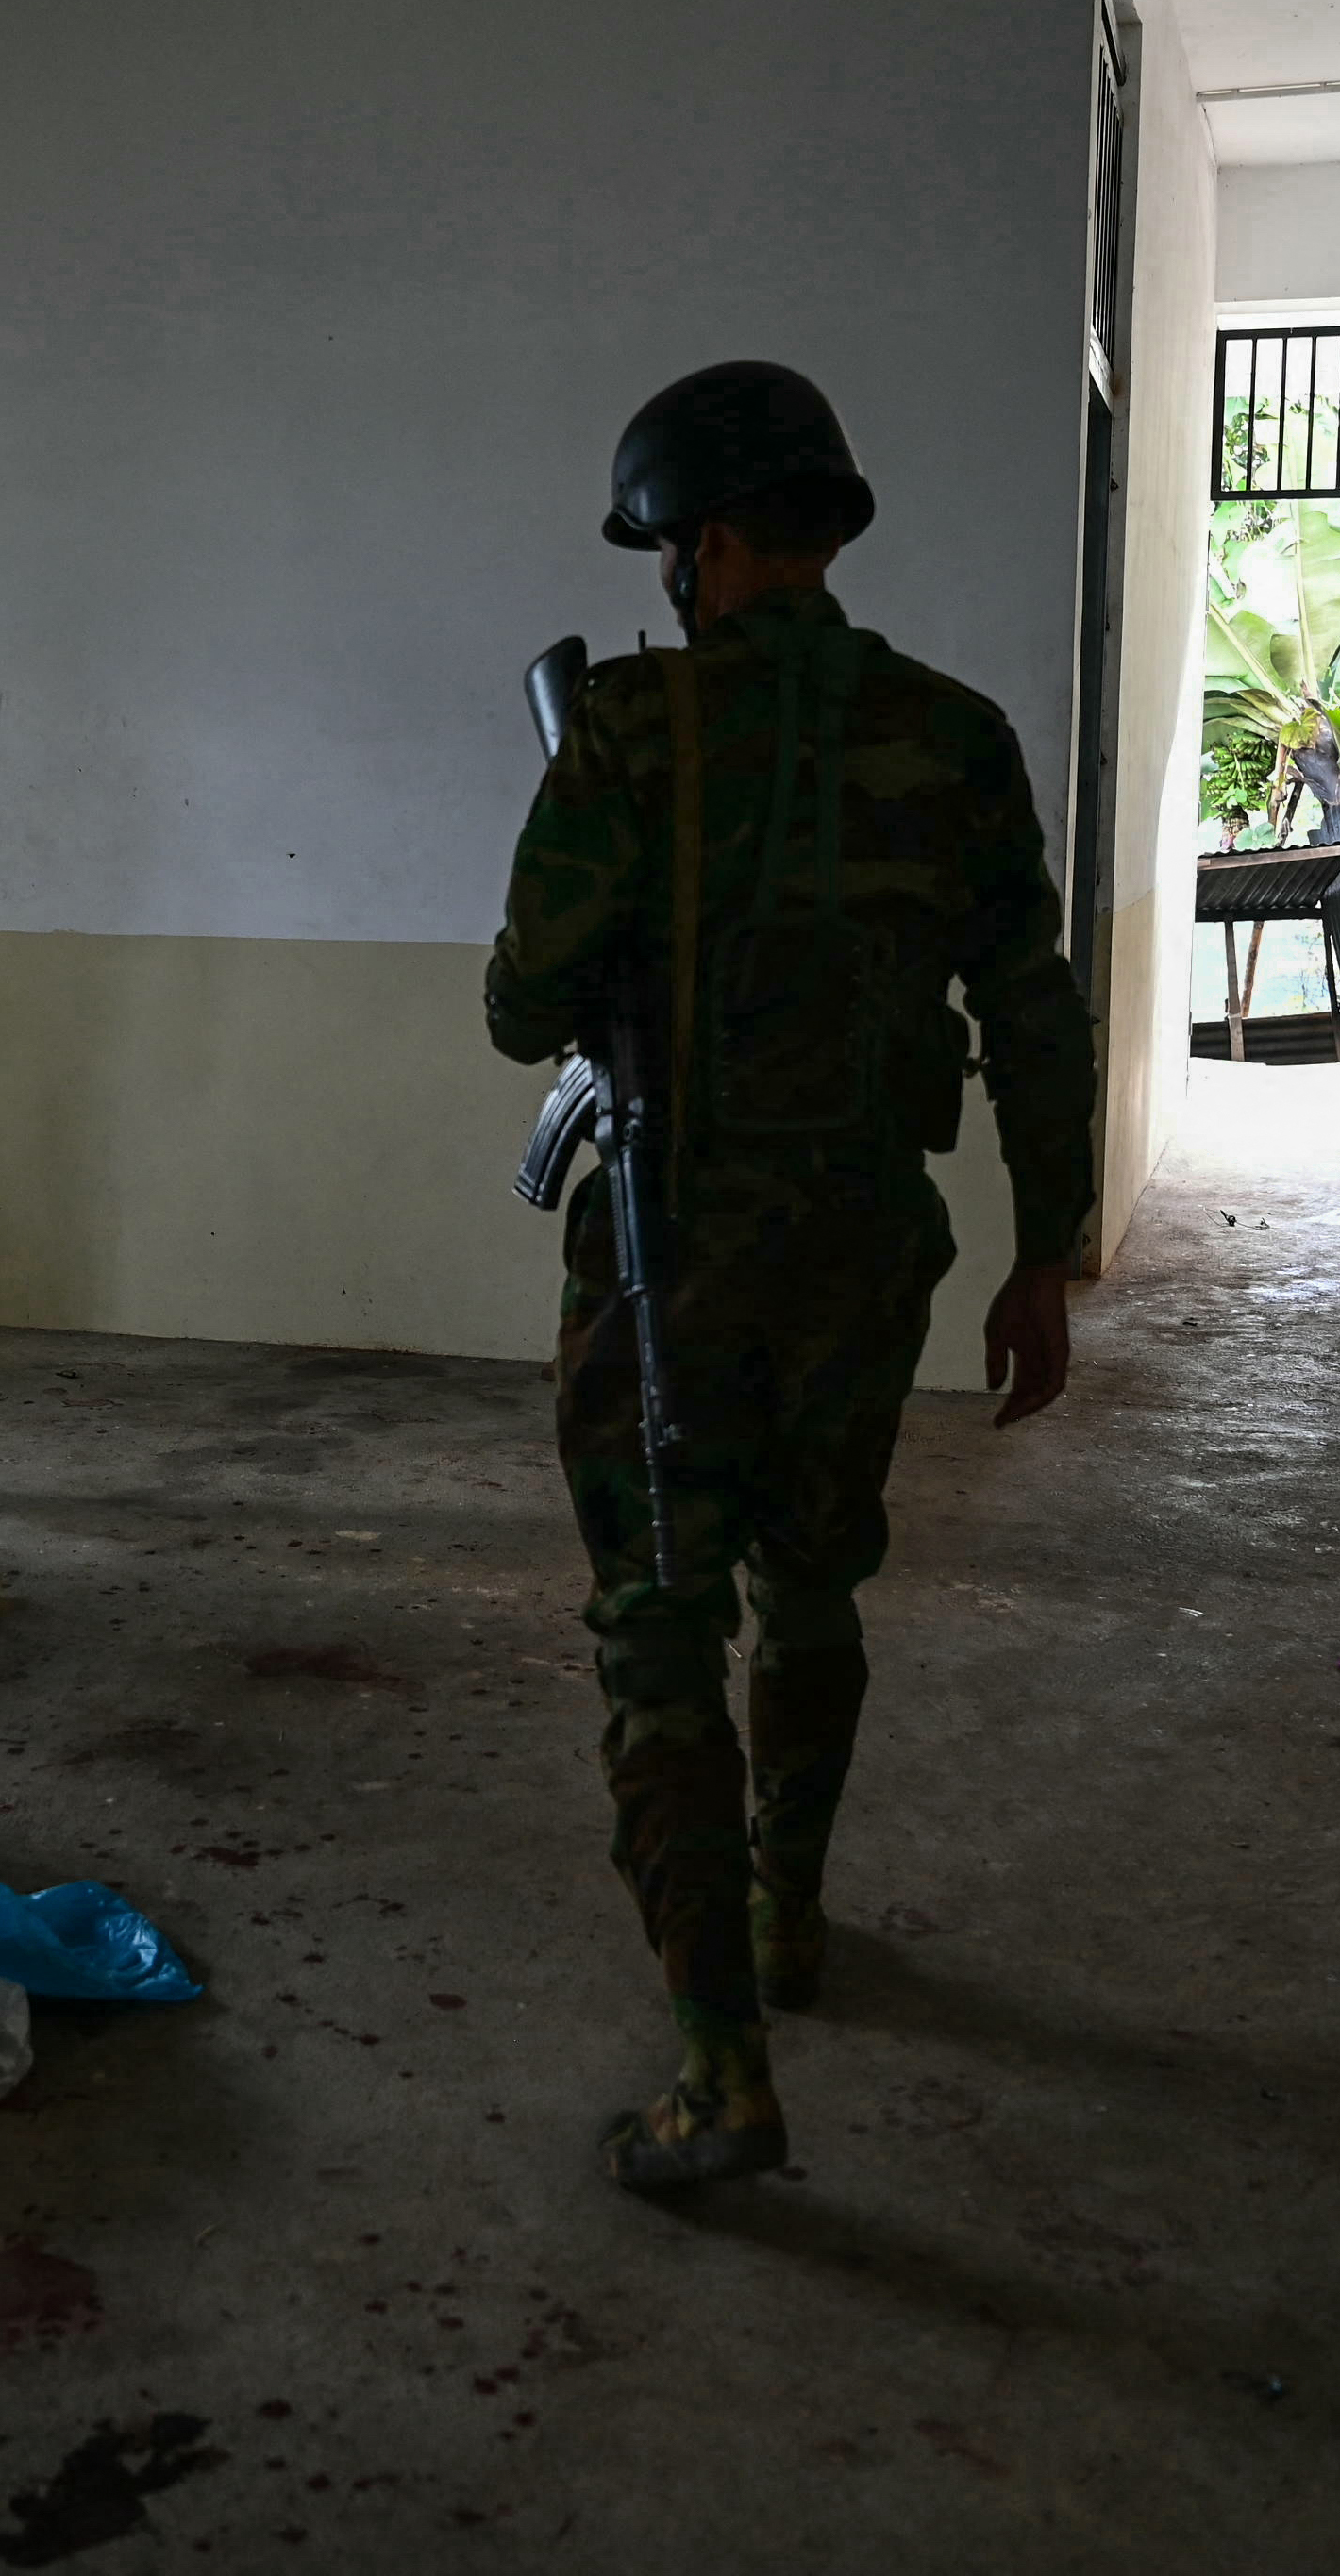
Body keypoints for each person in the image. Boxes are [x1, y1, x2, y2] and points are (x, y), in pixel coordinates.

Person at [484, 361, 1091, 2191]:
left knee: (657, 1625)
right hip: (866, 1248)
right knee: (811, 1580)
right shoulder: (960, 733)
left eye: (671, 547)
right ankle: (789, 1909)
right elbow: (1033, 1010)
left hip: (671, 1248)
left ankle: (716, 2067)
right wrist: (1042, 1250)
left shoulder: (625, 731)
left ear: (713, 541)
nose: (670, 575)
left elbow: (520, 999)